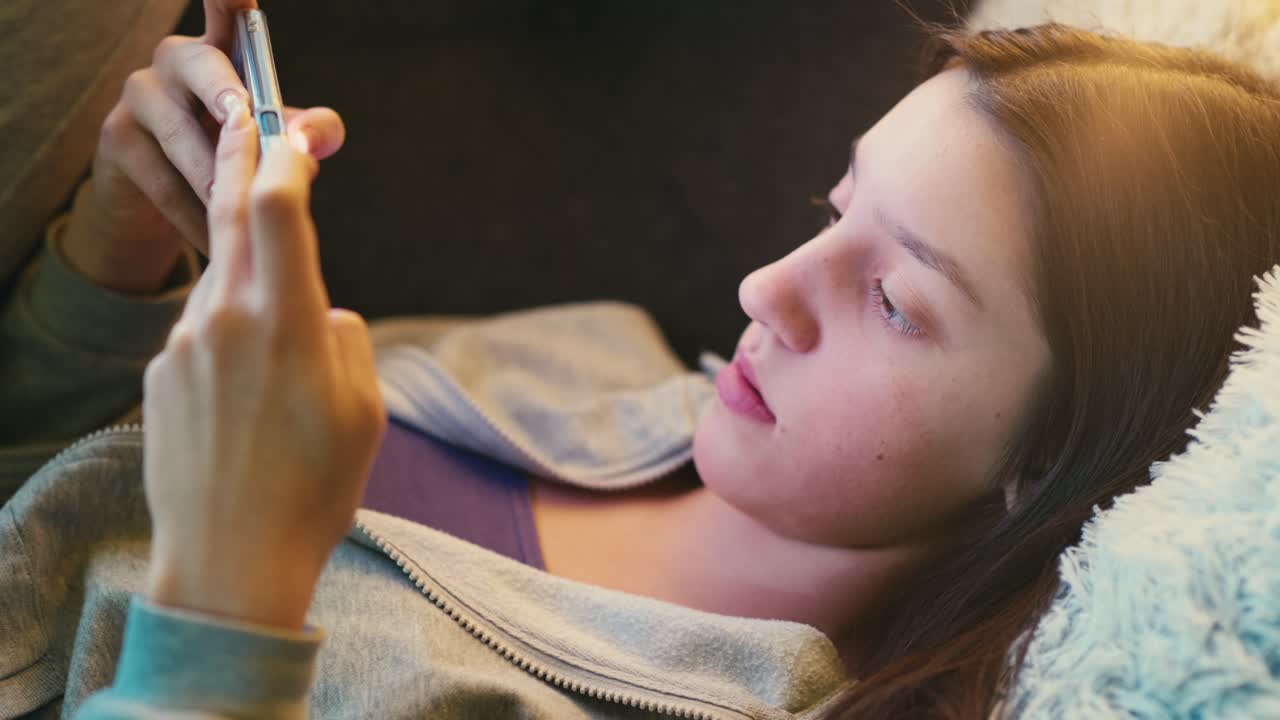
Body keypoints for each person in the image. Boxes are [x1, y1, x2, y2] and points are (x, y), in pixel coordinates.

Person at [1, 0, 1277, 717]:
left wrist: (231, 598)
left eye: (891, 300)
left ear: (1051, 461)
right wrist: (114, 263)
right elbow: (48, 506)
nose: (763, 292)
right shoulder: (589, 356)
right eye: (835, 212)